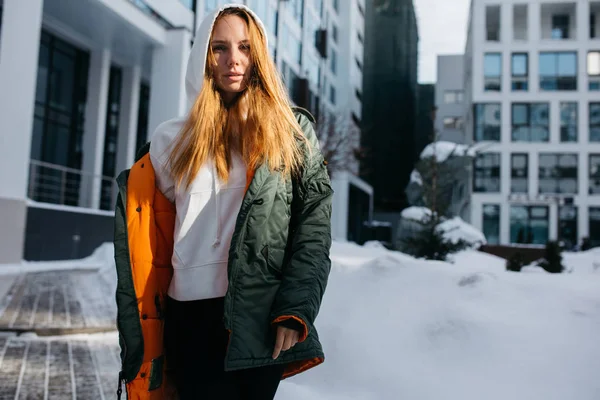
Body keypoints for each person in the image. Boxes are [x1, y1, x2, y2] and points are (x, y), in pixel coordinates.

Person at [113, 4, 333, 400]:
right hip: (188, 319)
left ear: (260, 55)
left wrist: (295, 310)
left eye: (245, 47)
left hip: (258, 319)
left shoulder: (291, 133)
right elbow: (149, 241)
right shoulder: (169, 140)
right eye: (220, 48)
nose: (234, 60)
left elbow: (313, 228)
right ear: (202, 55)